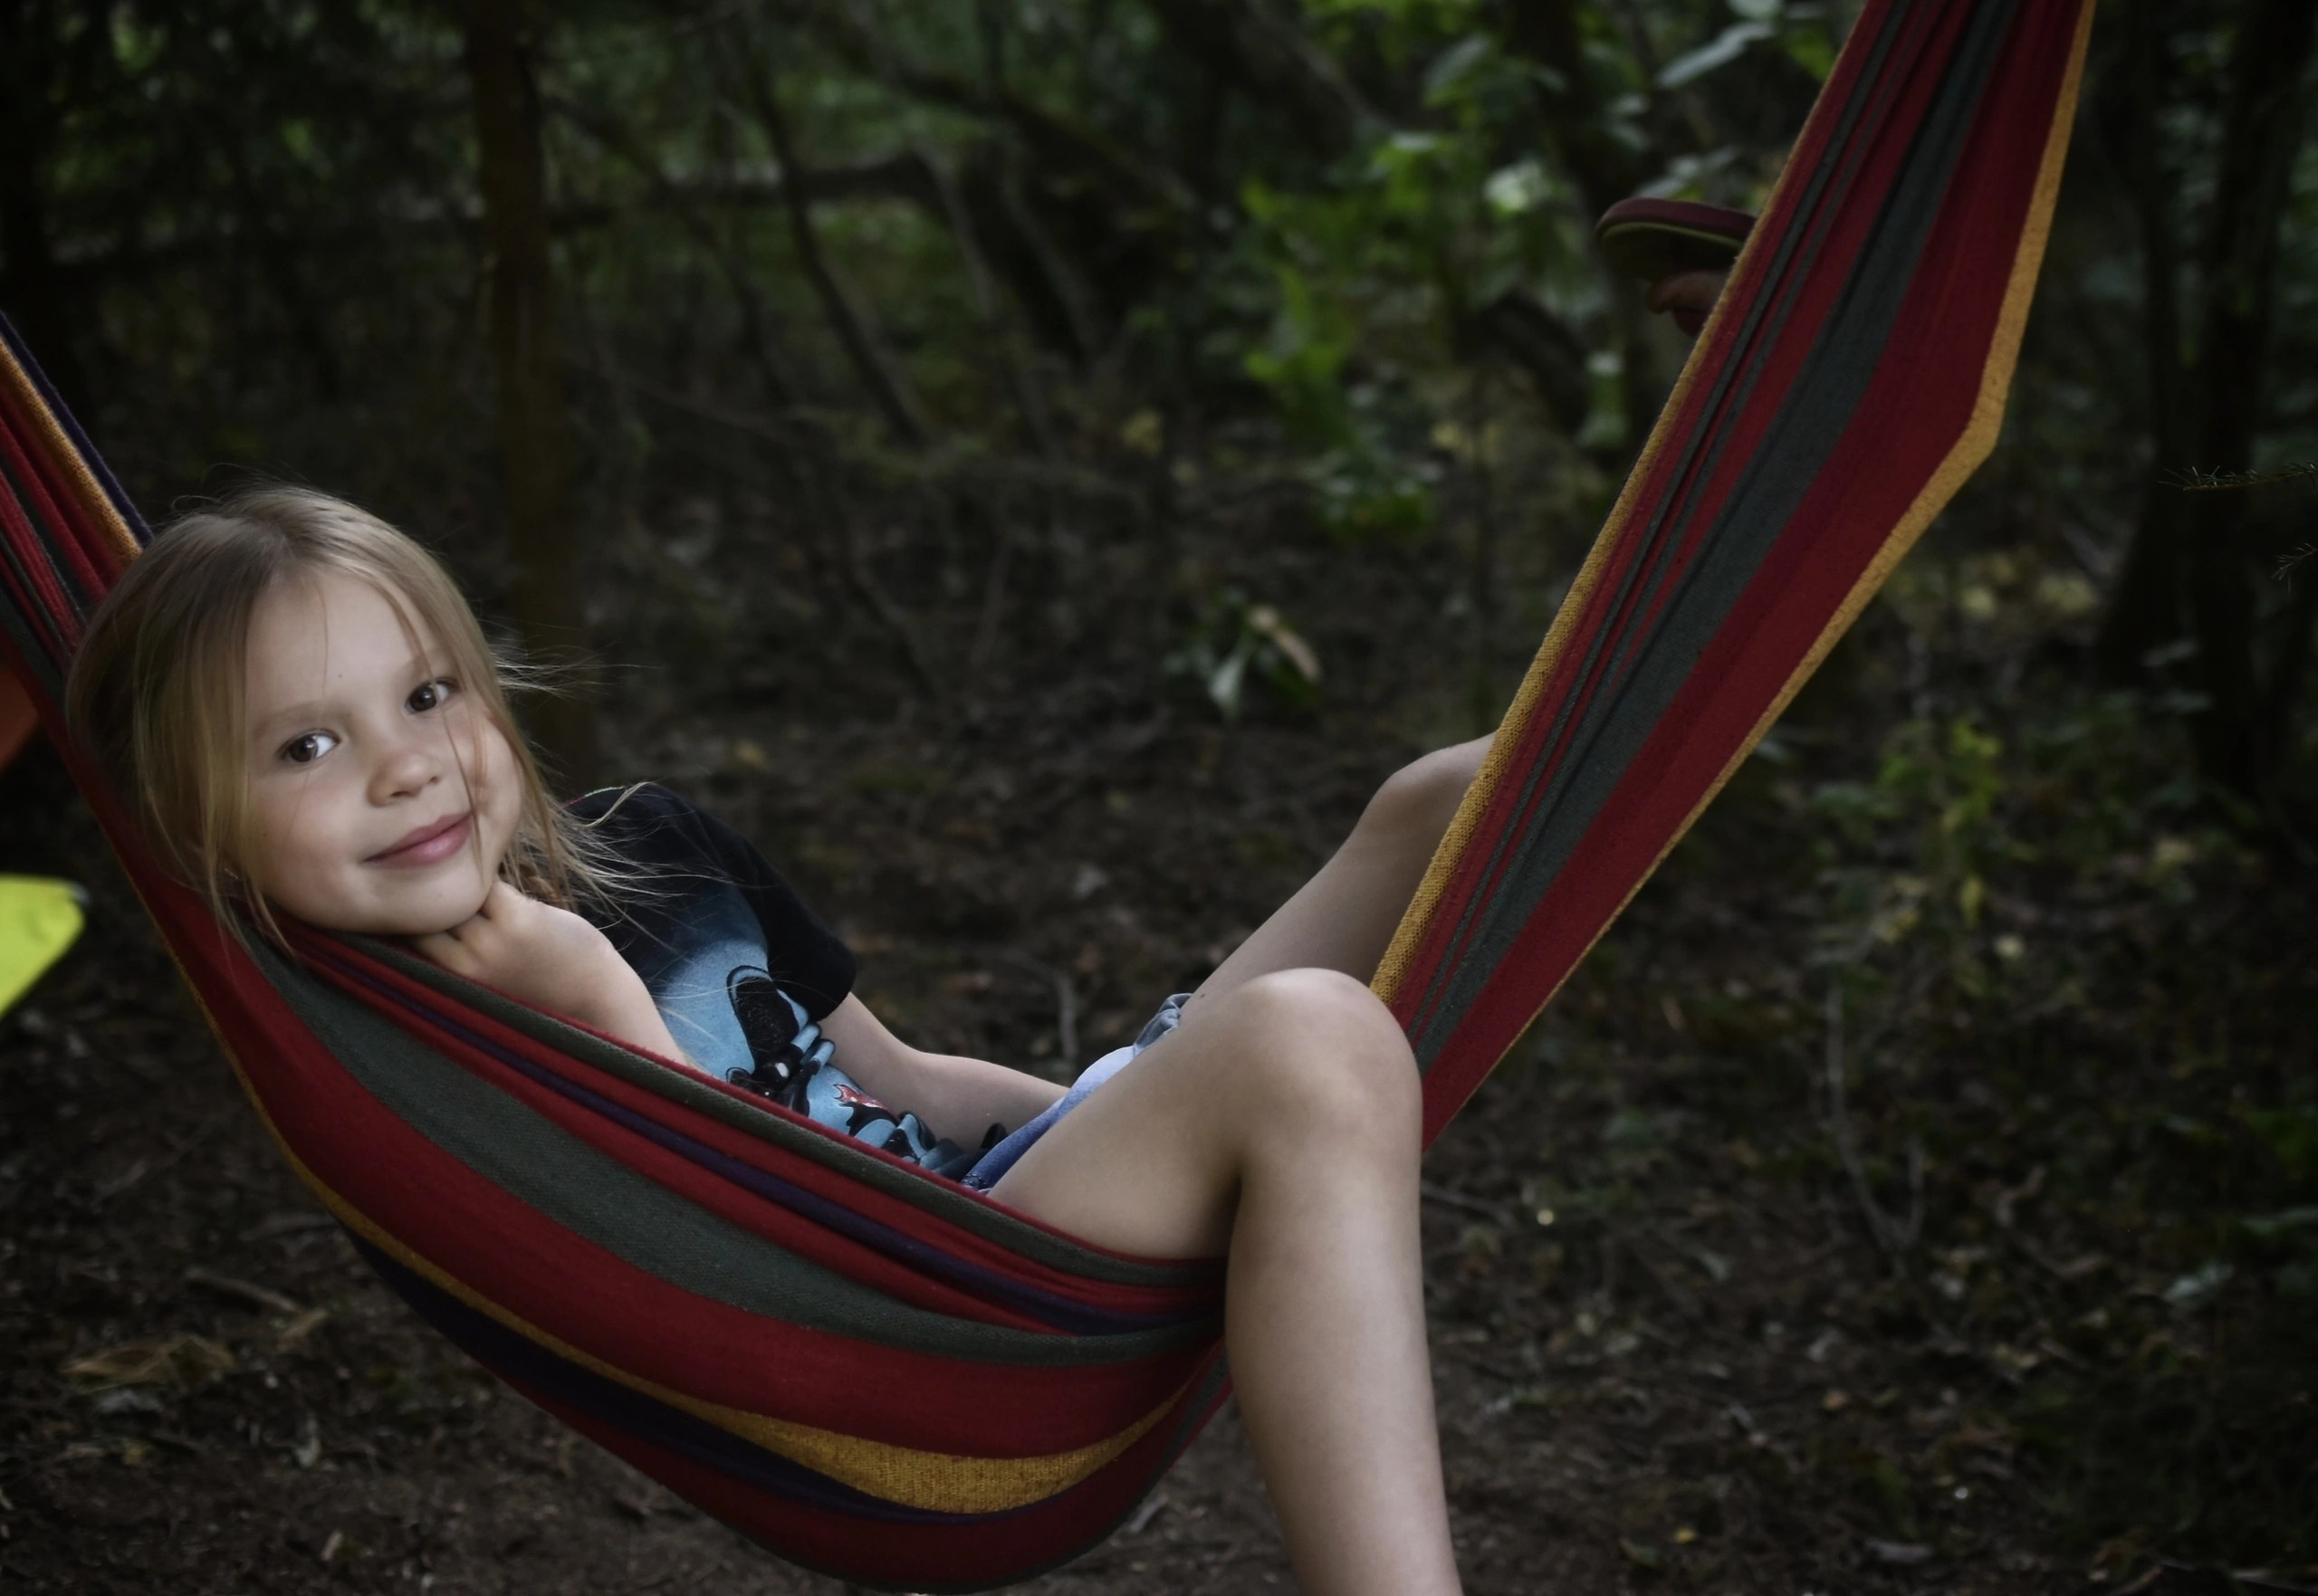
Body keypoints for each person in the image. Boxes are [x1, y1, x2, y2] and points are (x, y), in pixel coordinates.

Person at [62, 484, 1488, 1595]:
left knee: (1440, 805)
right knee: (1316, 1041)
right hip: (916, 1348)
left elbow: (909, 1083)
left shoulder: (661, 843)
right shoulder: (397, 1064)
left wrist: (1172, 1132)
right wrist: (595, 1004)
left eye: (430, 693)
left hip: (1013, 1236)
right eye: (306, 746)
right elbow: (716, 1271)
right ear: (190, 830)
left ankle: (1714, 654)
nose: (409, 761)